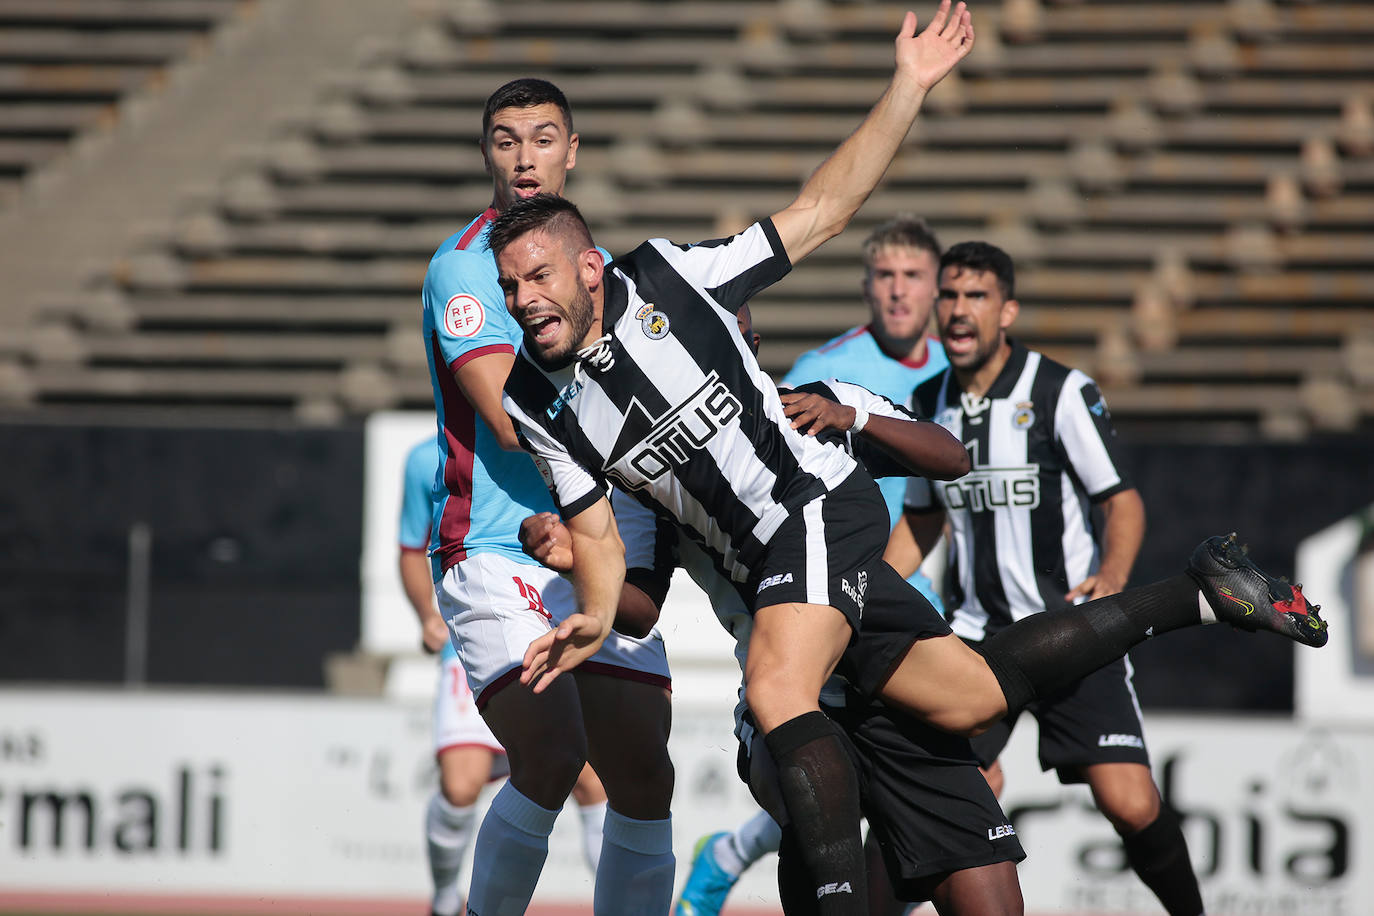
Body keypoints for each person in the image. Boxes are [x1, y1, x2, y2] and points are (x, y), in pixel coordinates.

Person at [491, 7, 1326, 912]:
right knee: (970, 698)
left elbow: (823, 206)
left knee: (778, 687)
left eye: (539, 278)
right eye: (509, 288)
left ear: (589, 269)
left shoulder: (670, 276)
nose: (524, 300)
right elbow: (601, 540)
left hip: (812, 508)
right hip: (776, 572)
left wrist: (908, 87)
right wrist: (594, 611)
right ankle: (1199, 591)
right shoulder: (533, 401)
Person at [420, 77, 676, 915]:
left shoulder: (596, 269)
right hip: (494, 551)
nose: (524, 157)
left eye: (542, 138)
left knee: (643, 774)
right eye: (505, 139)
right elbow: (504, 418)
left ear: (572, 152)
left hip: (596, 547)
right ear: (486, 151)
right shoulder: (464, 268)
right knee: (556, 749)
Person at [886, 241, 1204, 916]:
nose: (958, 310)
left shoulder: (1059, 391)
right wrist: (871, 594)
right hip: (975, 638)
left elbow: (1121, 499)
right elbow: (922, 520)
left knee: (1130, 802)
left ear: (1007, 311)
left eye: (976, 296)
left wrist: (1112, 575)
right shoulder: (924, 400)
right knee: (938, 798)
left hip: (1069, 630)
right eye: (949, 295)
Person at [680, 216, 952, 916]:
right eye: (885, 276)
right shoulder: (822, 373)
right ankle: (741, 852)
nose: (897, 291)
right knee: (828, 793)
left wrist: (880, 579)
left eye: (912, 277)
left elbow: (940, 488)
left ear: (937, 289)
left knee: (928, 782)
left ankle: (741, 852)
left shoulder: (957, 369)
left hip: (900, 595)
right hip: (817, 597)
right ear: (865, 285)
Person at [396, 436, 607, 916]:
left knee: (592, 779)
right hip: (478, 619)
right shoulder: (425, 459)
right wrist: (426, 616)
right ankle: (447, 900)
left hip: (551, 615)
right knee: (461, 784)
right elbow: (412, 547)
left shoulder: (560, 437)